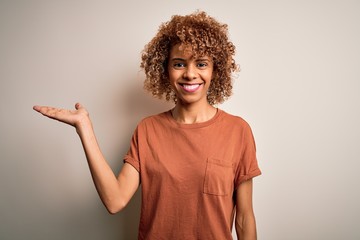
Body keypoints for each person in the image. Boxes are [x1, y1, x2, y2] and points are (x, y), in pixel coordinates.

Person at [33, 11, 261, 240]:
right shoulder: (148, 130)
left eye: (201, 64)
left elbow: (244, 218)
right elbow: (115, 201)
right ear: (165, 69)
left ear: (215, 70)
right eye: (179, 64)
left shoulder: (238, 131)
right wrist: (84, 128)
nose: (190, 74)